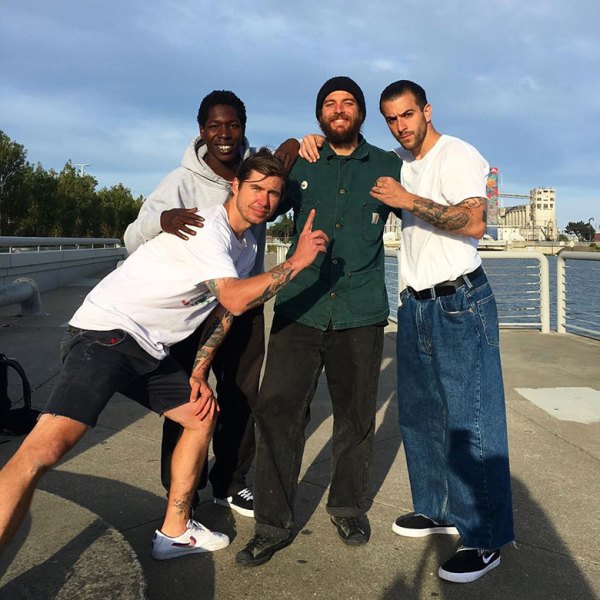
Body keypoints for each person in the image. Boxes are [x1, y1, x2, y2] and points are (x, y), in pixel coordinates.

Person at [0, 150, 329, 561]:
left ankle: (174, 531)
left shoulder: (244, 246)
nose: (264, 199)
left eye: (273, 193)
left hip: (147, 348)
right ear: (235, 186)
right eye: (256, 188)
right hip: (107, 332)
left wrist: (199, 372)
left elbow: (222, 313)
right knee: (44, 450)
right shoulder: (210, 229)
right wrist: (296, 262)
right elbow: (235, 298)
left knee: (200, 415)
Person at [236, 76, 402, 567]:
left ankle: (347, 506)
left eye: (348, 102)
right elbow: (260, 202)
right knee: (278, 414)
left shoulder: (389, 165)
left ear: (361, 113)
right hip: (300, 306)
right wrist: (290, 146)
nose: (339, 109)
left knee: (355, 417)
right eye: (330, 103)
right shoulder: (305, 161)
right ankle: (271, 525)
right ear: (319, 114)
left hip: (361, 311)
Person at [124, 91, 297, 518]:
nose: (224, 134)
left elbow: (283, 185)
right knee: (187, 398)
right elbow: (131, 237)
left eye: (233, 125)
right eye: (215, 126)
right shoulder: (180, 182)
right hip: (193, 310)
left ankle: (231, 482)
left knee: (242, 394)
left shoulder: (255, 173)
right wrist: (162, 220)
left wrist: (297, 143)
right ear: (201, 130)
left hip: (243, 304)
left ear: (243, 128)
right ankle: (181, 487)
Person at [369, 80, 514, 583]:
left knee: (472, 420)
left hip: (460, 302)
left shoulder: (457, 155)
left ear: (427, 111)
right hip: (415, 305)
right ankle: (436, 509)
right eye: (391, 119)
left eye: (407, 114)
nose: (400, 126)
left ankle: (485, 537)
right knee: (422, 415)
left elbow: (474, 223)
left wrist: (407, 199)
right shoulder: (398, 162)